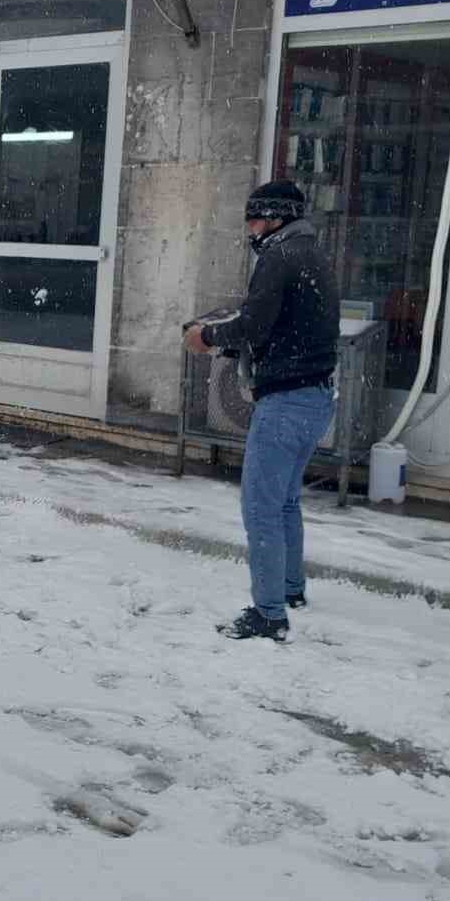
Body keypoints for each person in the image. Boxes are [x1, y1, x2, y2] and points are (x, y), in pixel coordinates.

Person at [184, 180, 339, 642]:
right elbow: (287, 325)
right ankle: (290, 589)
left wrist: (206, 337)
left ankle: (269, 614)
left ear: (276, 217)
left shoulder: (280, 256)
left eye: (254, 217)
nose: (249, 227)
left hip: (286, 402)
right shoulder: (311, 253)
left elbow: (254, 322)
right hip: (315, 398)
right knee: (286, 500)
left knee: (261, 508)